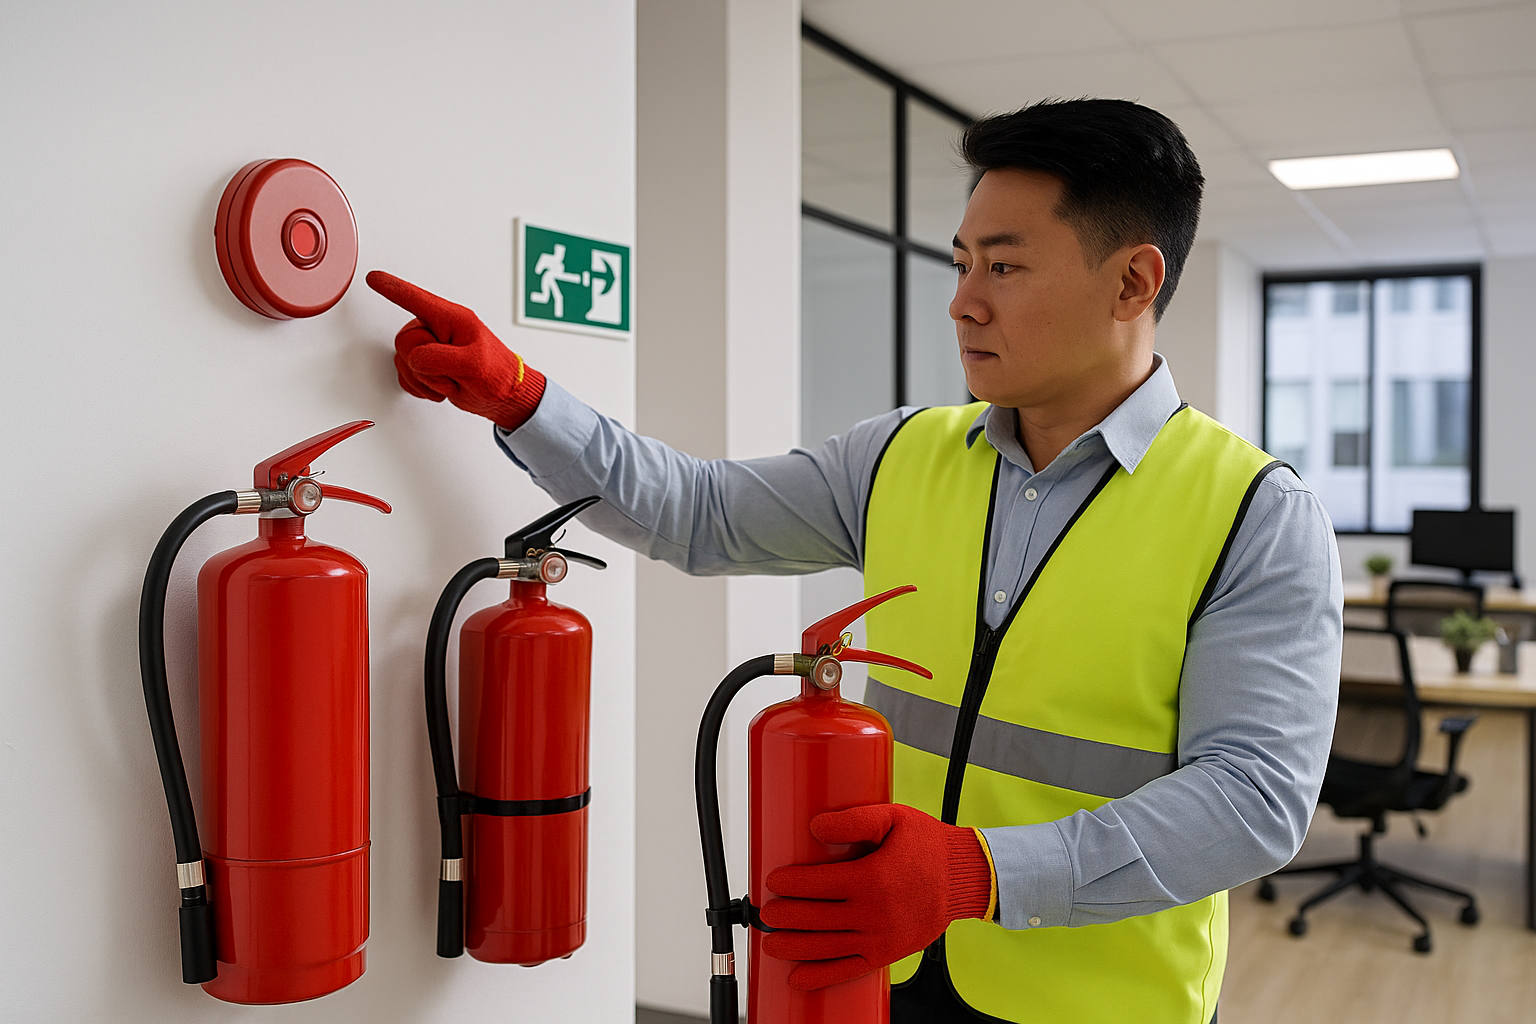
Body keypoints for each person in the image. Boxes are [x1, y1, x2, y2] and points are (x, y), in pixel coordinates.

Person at [368, 98, 1342, 1024]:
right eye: (961, 263)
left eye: (1004, 267)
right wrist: (521, 398)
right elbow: (699, 513)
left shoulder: (1254, 516)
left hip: (1098, 1001)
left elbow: (1253, 800)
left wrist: (974, 874)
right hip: (885, 963)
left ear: (1133, 282)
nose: (962, 304)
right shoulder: (900, 456)